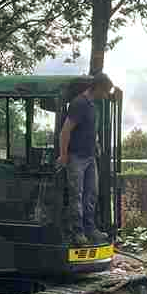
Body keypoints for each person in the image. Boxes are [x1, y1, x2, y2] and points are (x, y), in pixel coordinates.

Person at [58, 73, 113, 246]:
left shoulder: (92, 105)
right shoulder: (79, 103)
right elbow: (65, 131)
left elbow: (90, 129)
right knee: (77, 195)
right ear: (97, 88)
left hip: (90, 158)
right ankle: (78, 232)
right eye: (105, 91)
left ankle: (90, 229)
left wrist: (96, 143)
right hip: (76, 157)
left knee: (91, 194)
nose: (105, 95)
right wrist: (64, 155)